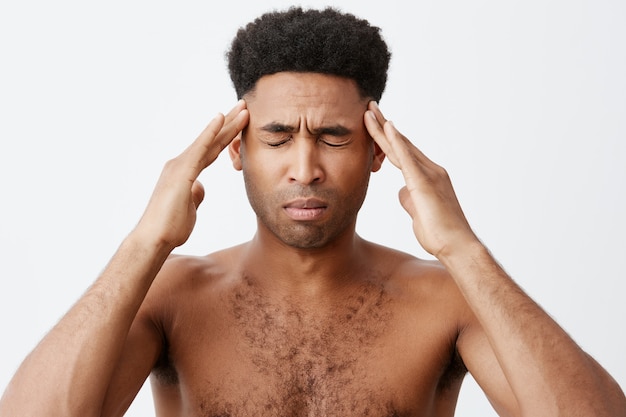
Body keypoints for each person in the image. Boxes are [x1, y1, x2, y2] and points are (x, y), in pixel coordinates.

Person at [0, 6, 624, 417]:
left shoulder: (447, 300)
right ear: (236, 151)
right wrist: (145, 244)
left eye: (332, 136)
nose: (304, 167)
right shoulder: (173, 294)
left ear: (378, 151)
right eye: (276, 137)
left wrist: (463, 249)